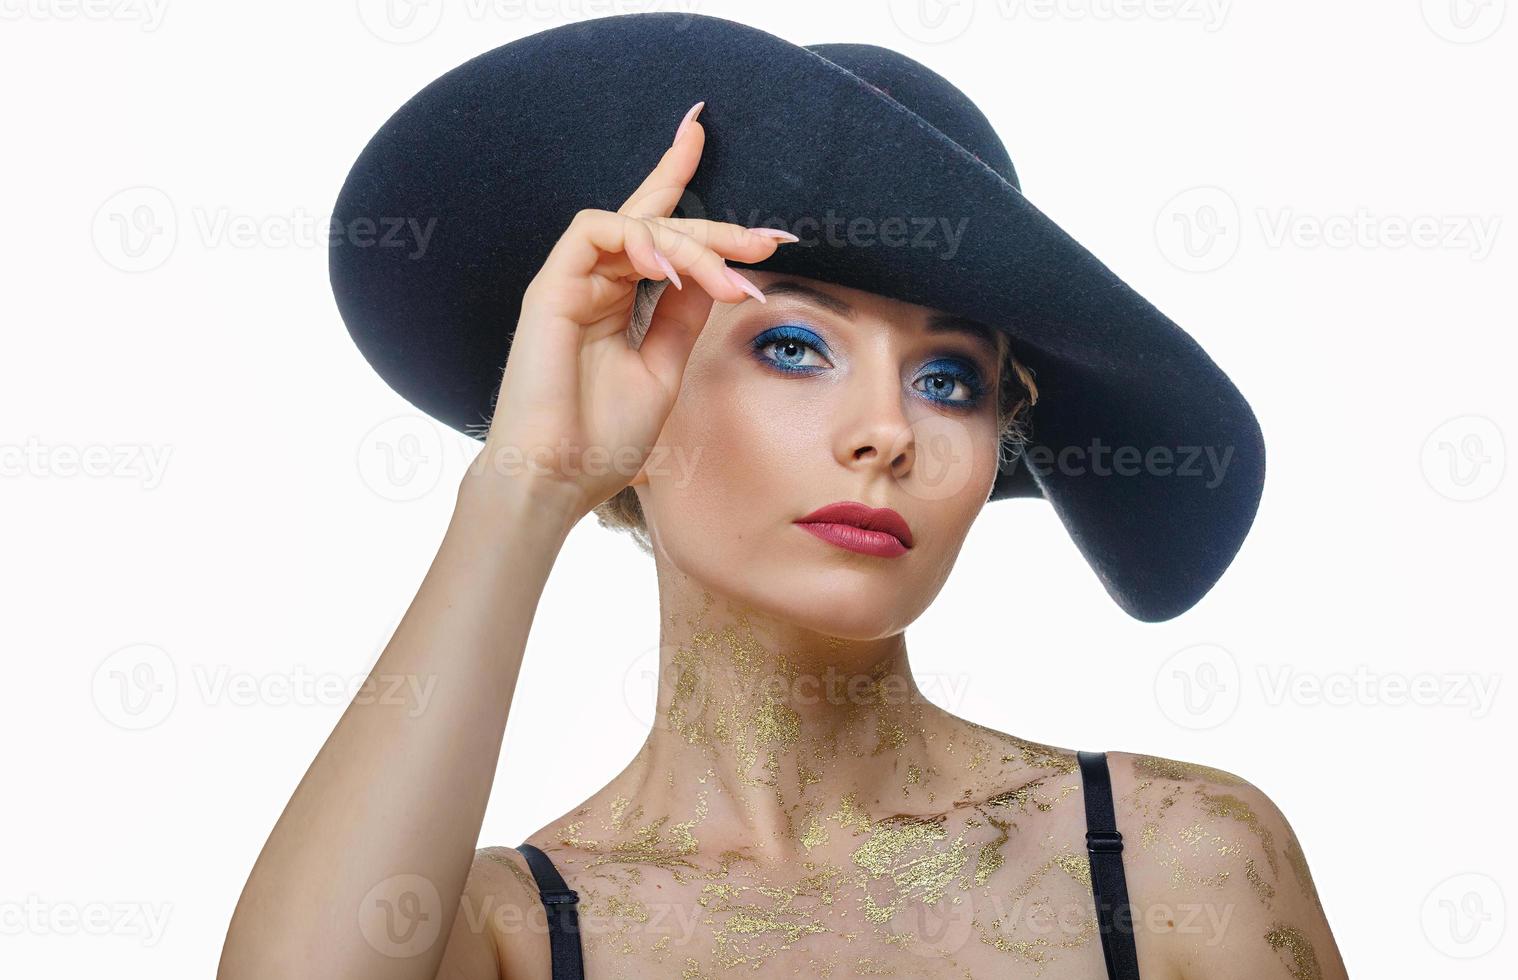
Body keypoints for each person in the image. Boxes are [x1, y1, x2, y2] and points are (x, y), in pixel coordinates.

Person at [220, 93, 1347, 979]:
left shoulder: (1178, 858)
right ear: (637, 387)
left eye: (950, 379)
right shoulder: (508, 927)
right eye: (795, 347)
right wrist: (525, 485)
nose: (887, 431)